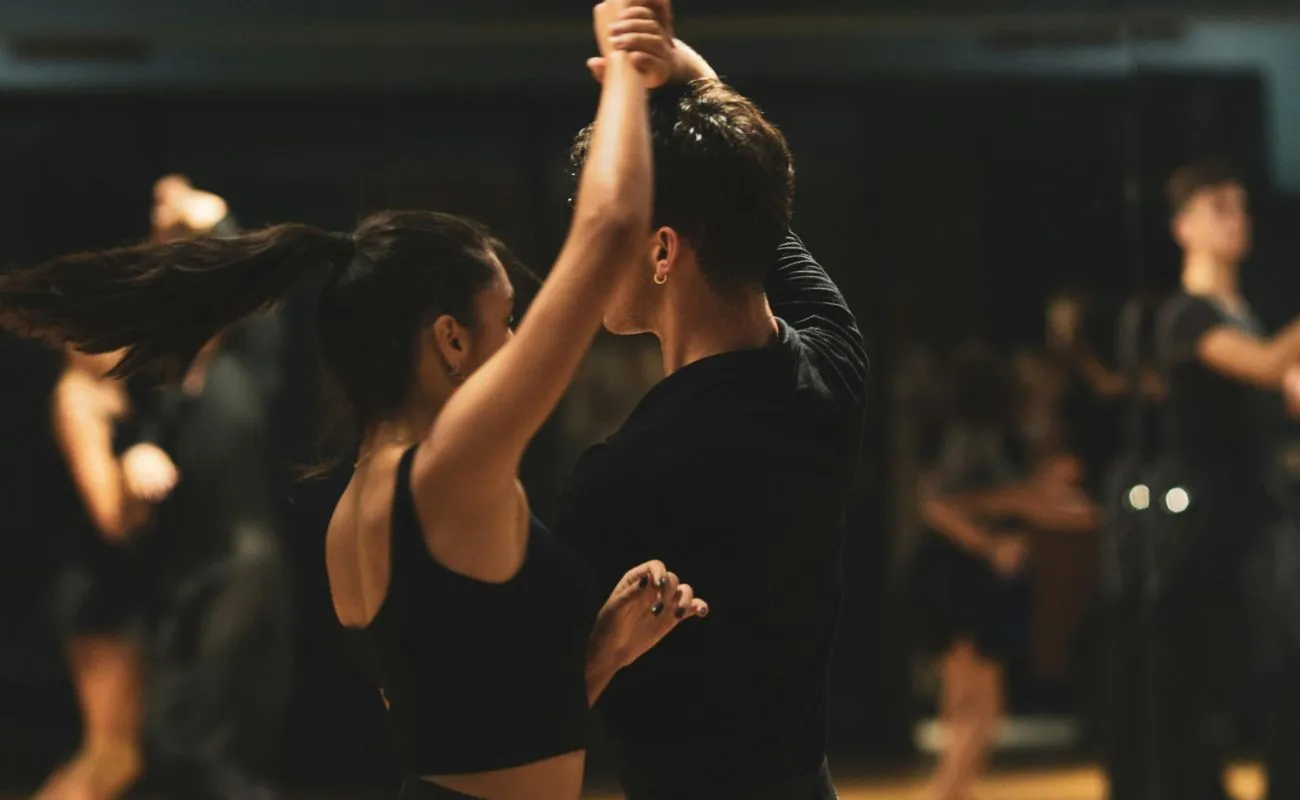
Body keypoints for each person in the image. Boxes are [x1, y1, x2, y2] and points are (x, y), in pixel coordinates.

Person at [0, 3, 706, 799]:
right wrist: (627, 66)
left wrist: (603, 653)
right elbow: (610, 228)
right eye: (505, 319)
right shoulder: (450, 470)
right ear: (450, 340)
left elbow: (483, 731)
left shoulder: (357, 511)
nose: (515, 341)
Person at [555, 25, 866, 799]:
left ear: (663, 251)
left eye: (606, 229)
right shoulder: (833, 367)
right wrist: (688, 75)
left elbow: (529, 721)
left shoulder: (622, 479)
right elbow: (746, 197)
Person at [131, 178, 295, 800]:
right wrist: (140, 450)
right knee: (167, 735)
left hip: (243, 559)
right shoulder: (172, 383)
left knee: (216, 740)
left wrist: (217, 217)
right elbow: (152, 430)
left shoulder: (249, 364)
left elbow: (253, 285)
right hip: (186, 563)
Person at [1148, 160, 1300, 800]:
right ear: (1183, 226)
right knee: (1220, 676)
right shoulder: (1187, 315)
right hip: (1210, 525)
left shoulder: (1243, 313)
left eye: (1240, 206)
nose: (1237, 219)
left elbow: (1282, 384)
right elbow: (1264, 367)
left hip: (1257, 514)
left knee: (1279, 666)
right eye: (1219, 207)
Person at [910, 344, 1094, 800]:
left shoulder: (980, 438)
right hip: (960, 577)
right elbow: (940, 506)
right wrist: (990, 544)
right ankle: (945, 794)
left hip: (956, 575)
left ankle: (953, 792)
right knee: (979, 706)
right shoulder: (975, 440)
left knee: (965, 703)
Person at [36, 345, 178, 800]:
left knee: (119, 755)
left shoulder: (116, 392)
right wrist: (134, 470)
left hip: (116, 581)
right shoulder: (76, 397)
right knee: (113, 756)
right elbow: (110, 516)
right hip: (95, 587)